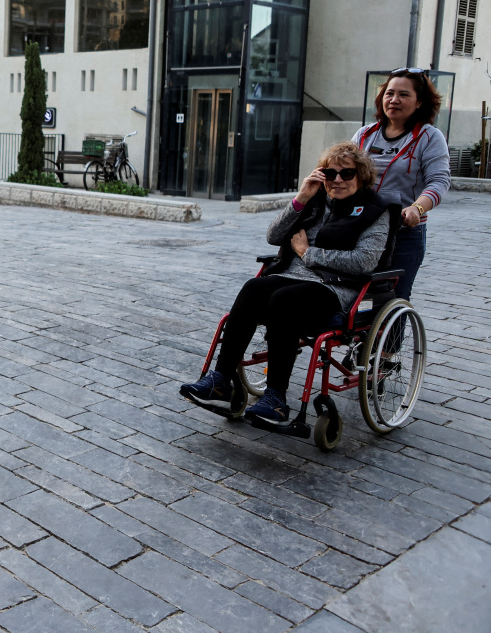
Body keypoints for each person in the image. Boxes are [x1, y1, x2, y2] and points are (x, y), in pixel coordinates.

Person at [179, 143, 393, 427]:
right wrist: (302, 197)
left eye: (347, 173)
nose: (337, 180)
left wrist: (308, 253)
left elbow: (365, 262)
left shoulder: (376, 211)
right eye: (330, 173)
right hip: (291, 279)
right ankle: (220, 380)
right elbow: (273, 235)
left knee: (285, 299)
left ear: (361, 176)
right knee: (254, 288)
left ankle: (276, 400)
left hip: (335, 287)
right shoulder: (314, 201)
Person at [351, 68, 451, 301]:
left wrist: (417, 208)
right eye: (389, 93)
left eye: (404, 95)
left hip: (403, 232)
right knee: (356, 299)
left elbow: (439, 181)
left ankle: (389, 338)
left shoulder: (429, 137)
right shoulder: (365, 134)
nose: (394, 100)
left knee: (392, 299)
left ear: (419, 103)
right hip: (361, 227)